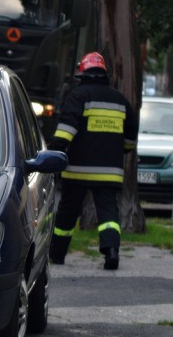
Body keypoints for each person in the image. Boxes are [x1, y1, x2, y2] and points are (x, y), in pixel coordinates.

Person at [48, 52, 139, 270]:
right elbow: (130, 141)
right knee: (108, 214)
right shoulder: (121, 101)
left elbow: (64, 133)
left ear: (84, 74)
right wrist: (117, 151)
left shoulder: (78, 96)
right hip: (109, 171)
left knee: (67, 214)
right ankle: (111, 252)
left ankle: (57, 255)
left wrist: (52, 157)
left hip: (77, 170)